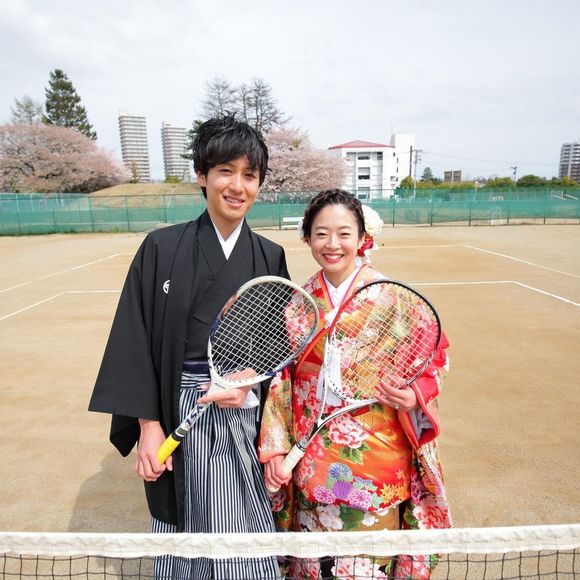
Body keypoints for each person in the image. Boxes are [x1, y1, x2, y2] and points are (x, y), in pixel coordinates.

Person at [89, 115, 289, 579]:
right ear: (202, 175)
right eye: (225, 171)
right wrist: (148, 425)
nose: (237, 186)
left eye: (250, 175)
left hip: (241, 412)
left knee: (241, 525)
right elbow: (133, 338)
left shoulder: (269, 255)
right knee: (181, 525)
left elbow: (277, 346)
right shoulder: (161, 247)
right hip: (176, 406)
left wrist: (248, 384)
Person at [259, 189, 451, 579]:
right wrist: (276, 448)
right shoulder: (299, 305)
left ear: (363, 238)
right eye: (321, 233)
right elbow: (283, 381)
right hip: (312, 459)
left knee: (368, 568)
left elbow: (434, 354)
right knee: (314, 567)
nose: (333, 244)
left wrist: (415, 395)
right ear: (307, 238)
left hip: (377, 459)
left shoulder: (393, 297)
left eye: (344, 233)